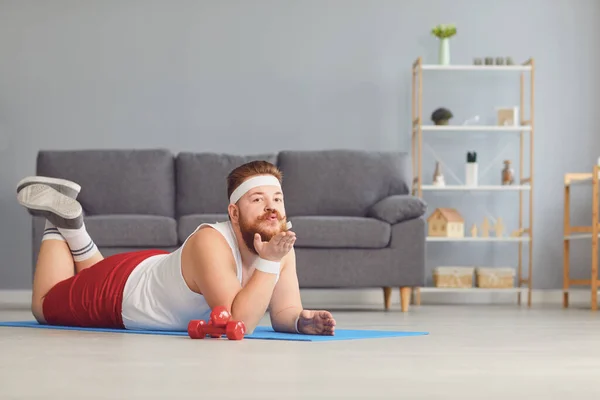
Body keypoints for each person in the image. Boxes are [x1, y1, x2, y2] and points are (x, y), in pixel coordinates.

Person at [15, 161, 336, 336]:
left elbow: (281, 314)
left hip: (143, 271)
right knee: (44, 308)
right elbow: (240, 323)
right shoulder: (211, 241)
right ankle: (58, 221)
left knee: (92, 275)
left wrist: (301, 321)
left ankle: (73, 226)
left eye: (277, 199)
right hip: (118, 298)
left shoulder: (279, 249)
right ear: (234, 213)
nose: (272, 209)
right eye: (258, 200)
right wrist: (268, 263)